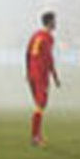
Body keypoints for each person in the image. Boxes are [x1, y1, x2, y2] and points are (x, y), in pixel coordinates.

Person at [25, 10, 63, 147]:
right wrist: (55, 76)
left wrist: (28, 72)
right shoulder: (47, 37)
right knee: (41, 105)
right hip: (40, 75)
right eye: (54, 21)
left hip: (33, 74)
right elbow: (48, 58)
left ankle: (37, 135)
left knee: (39, 105)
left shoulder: (35, 35)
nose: (56, 23)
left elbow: (27, 54)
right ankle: (35, 137)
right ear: (50, 22)